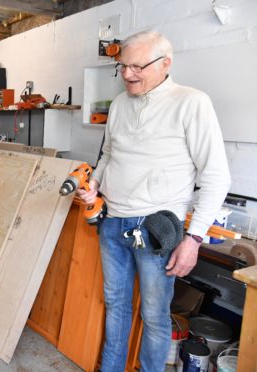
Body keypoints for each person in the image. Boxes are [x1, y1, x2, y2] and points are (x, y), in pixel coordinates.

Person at [77, 30, 230, 372]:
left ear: (165, 64)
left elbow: (217, 177)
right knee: (116, 305)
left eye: (137, 66)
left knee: (155, 315)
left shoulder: (192, 102)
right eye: (122, 67)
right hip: (112, 221)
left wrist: (193, 240)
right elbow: (109, 154)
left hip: (157, 229)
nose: (128, 74)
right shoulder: (118, 104)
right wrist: (95, 184)